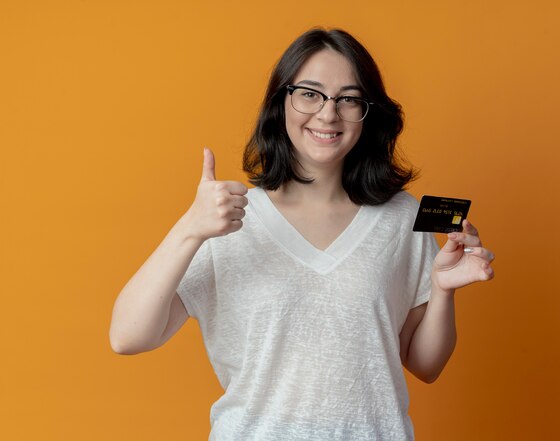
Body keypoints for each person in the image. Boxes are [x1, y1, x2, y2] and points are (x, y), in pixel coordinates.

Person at [109, 28, 495, 441]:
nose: (328, 114)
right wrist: (189, 229)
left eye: (348, 99)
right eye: (309, 93)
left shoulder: (402, 217)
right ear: (281, 103)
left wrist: (442, 289)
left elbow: (425, 365)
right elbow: (127, 337)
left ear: (368, 113)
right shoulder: (228, 218)